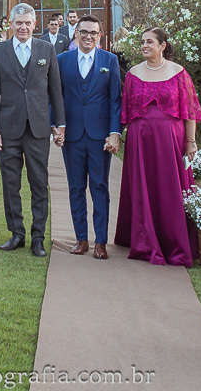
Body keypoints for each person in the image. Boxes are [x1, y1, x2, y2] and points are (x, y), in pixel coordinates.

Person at [113, 27, 201, 265]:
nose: (144, 45)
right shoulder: (133, 73)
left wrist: (190, 142)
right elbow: (125, 111)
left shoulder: (178, 73)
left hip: (171, 138)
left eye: (149, 42)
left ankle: (173, 240)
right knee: (142, 186)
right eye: (142, 42)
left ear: (162, 46)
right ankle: (143, 240)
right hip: (140, 140)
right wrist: (115, 135)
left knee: (169, 186)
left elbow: (189, 111)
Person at [0, 3, 65, 258]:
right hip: (8, 128)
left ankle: (38, 237)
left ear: (34, 25)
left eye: (27, 23)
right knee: (11, 183)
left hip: (38, 128)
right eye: (18, 23)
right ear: (11, 24)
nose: (23, 27)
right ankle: (17, 233)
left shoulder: (47, 49)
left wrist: (59, 124)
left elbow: (55, 91)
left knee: (39, 183)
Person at [56, 15, 122, 259]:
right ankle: (81, 238)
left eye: (93, 33)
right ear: (76, 33)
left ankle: (101, 241)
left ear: (100, 36)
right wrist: (57, 125)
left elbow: (116, 100)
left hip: (99, 136)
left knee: (99, 186)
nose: (88, 37)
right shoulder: (62, 60)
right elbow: (56, 97)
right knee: (75, 187)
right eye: (84, 32)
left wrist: (114, 133)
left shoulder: (110, 61)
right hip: (72, 135)